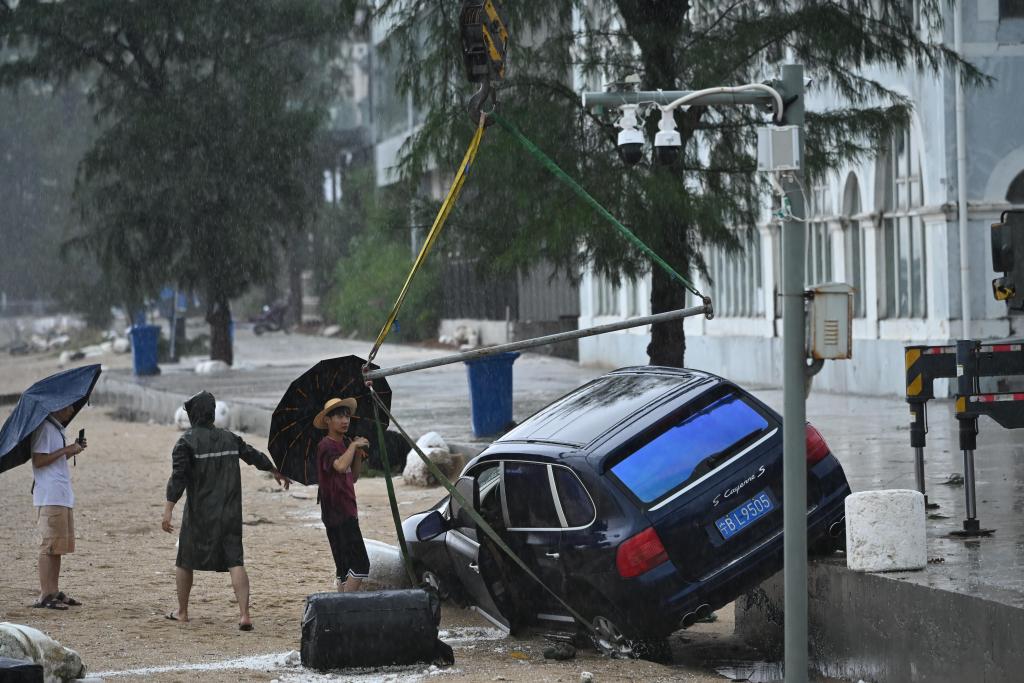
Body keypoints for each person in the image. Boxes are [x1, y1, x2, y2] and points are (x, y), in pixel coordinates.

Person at [161, 391, 290, 630]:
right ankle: (244, 615)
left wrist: (168, 509)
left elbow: (178, 478)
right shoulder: (229, 438)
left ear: (193, 415)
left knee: (185, 560)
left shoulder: (185, 442)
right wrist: (275, 470)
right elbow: (253, 455)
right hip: (230, 513)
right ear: (211, 414)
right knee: (235, 561)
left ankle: (182, 612)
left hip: (199, 514)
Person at [30, 403, 86, 610]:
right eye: (68, 406)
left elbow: (52, 459)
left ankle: (53, 591)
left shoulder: (55, 428)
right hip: (50, 496)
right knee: (48, 546)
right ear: (56, 406)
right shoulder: (44, 427)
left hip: (60, 494)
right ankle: (45, 594)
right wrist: (66, 449)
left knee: (57, 547)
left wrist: (71, 451)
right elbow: (38, 460)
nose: (71, 410)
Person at [313, 397, 371, 592]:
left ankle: (340, 608)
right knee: (361, 564)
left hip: (347, 509)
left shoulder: (346, 442)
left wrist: (357, 454)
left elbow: (353, 476)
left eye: (347, 416)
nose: (345, 421)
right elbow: (339, 466)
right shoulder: (325, 446)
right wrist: (353, 447)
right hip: (337, 513)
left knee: (344, 568)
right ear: (327, 420)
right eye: (339, 416)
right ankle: (347, 605)